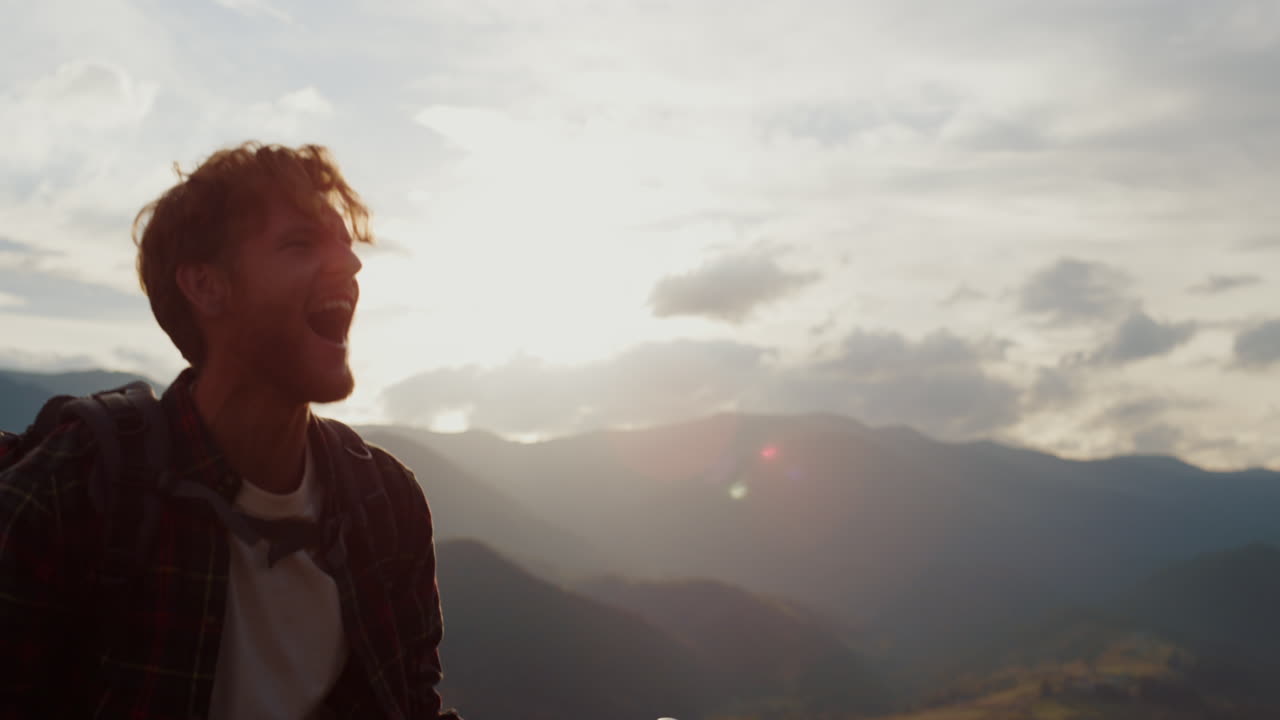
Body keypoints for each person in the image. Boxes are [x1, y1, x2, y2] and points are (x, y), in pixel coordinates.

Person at [0, 142, 460, 719]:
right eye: (300, 243)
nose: (350, 263)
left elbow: (413, 703)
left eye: (344, 242)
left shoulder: (386, 505)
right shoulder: (76, 488)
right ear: (206, 286)